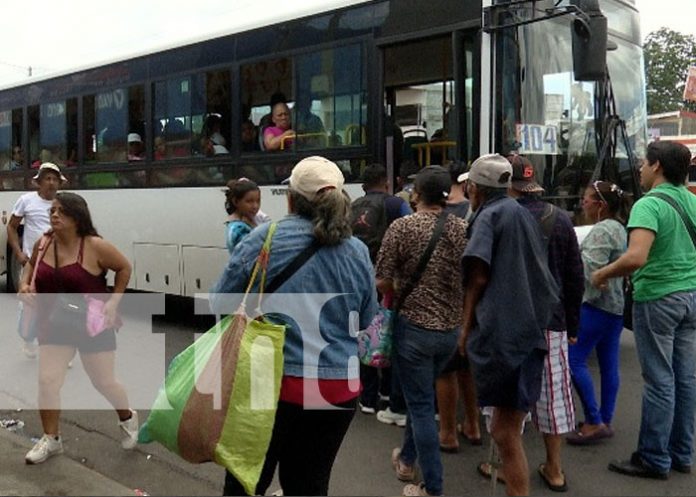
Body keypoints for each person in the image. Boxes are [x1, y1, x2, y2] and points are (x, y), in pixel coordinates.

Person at [210, 156, 377, 496]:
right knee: (309, 485)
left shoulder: (265, 238)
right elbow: (366, 318)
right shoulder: (358, 251)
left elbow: (220, 303)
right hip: (336, 389)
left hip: (270, 385)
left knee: (246, 480)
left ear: (290, 198)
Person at [592, 141, 696, 480]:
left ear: (658, 167)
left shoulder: (648, 205)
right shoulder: (693, 202)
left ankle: (653, 457)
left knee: (659, 380)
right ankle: (681, 453)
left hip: (659, 298)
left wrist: (603, 273)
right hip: (691, 297)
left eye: (643, 163)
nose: (639, 168)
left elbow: (636, 257)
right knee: (685, 379)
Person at [460, 154, 559, 497]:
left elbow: (478, 276)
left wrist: (464, 328)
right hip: (529, 329)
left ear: (475, 189)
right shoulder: (521, 212)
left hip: (506, 333)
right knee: (507, 428)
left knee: (505, 432)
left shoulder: (488, 216)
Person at [18, 192, 136, 464]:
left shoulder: (95, 246)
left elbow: (124, 268)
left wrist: (114, 302)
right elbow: (30, 268)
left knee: (103, 382)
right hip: (55, 323)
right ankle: (51, 439)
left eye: (62, 211)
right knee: (47, 381)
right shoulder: (43, 243)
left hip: (93, 322)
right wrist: (25, 286)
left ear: (77, 217)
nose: (55, 215)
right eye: (53, 211)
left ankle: (126, 416)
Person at [376, 165, 468, 497]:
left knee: (421, 407)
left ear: (416, 194)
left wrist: (400, 285)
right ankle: (406, 459)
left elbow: (383, 279)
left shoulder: (402, 227)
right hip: (450, 331)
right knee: (422, 397)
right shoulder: (463, 228)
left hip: (413, 330)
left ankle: (433, 486)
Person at [505, 154, 584, 493]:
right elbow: (575, 278)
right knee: (554, 399)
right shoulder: (562, 219)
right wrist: (573, 327)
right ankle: (554, 469)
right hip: (553, 323)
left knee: (508, 400)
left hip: (510, 325)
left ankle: (506, 465)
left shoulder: (501, 218)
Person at [567, 181, 627, 445]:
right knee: (608, 364)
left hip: (595, 306)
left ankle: (593, 419)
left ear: (601, 206)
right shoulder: (620, 228)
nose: (583, 203)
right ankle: (605, 418)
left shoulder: (602, 231)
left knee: (573, 361)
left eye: (587, 199)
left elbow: (588, 270)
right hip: (615, 306)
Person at [350, 163, 411, 417]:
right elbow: (410, 233)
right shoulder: (396, 205)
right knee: (388, 335)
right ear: (386, 182)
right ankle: (388, 393)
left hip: (360, 277)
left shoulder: (354, 206)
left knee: (365, 333)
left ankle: (367, 396)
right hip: (388, 282)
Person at [436, 161, 480, 453]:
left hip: (439, 303)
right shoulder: (471, 214)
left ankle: (448, 432)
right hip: (468, 299)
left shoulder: (429, 211)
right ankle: (474, 425)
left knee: (445, 370)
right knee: (467, 368)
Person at [8, 163, 66, 358]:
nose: (51, 183)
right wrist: (18, 253)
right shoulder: (26, 201)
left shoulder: (62, 203)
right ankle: (28, 340)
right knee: (30, 304)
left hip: (57, 262)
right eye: (47, 179)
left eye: (54, 179)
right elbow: (12, 227)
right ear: (39, 182)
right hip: (33, 263)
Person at [223, 178, 261, 254]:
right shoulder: (239, 229)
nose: (255, 206)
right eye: (249, 201)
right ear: (236, 202)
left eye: (258, 201)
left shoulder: (244, 223)